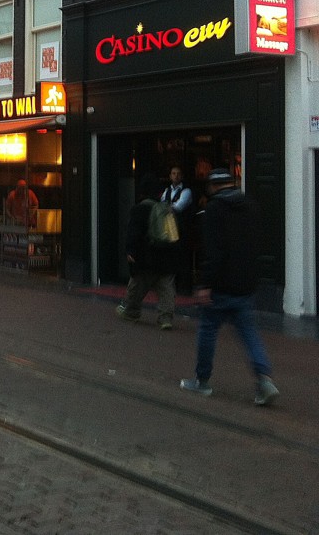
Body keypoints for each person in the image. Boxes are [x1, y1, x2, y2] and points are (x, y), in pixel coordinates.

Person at [179, 168, 279, 406]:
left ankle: (202, 381)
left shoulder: (214, 210)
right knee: (248, 332)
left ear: (213, 187)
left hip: (221, 285)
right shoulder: (251, 206)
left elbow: (214, 251)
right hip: (245, 283)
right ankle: (264, 379)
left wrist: (205, 284)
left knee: (208, 330)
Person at [116, 174, 178, 329]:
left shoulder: (140, 208)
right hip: (166, 255)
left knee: (138, 285)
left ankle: (131, 311)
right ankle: (166, 318)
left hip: (146, 255)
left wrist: (130, 251)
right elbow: (174, 234)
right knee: (166, 288)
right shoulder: (166, 209)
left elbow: (133, 232)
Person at [161, 165, 195, 295]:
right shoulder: (167, 191)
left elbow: (178, 207)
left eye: (178, 173)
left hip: (183, 230)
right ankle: (172, 286)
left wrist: (167, 207)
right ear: (170, 176)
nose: (176, 176)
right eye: (173, 173)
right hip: (170, 230)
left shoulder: (186, 191)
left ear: (182, 176)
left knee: (184, 258)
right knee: (172, 258)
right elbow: (162, 205)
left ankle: (185, 288)